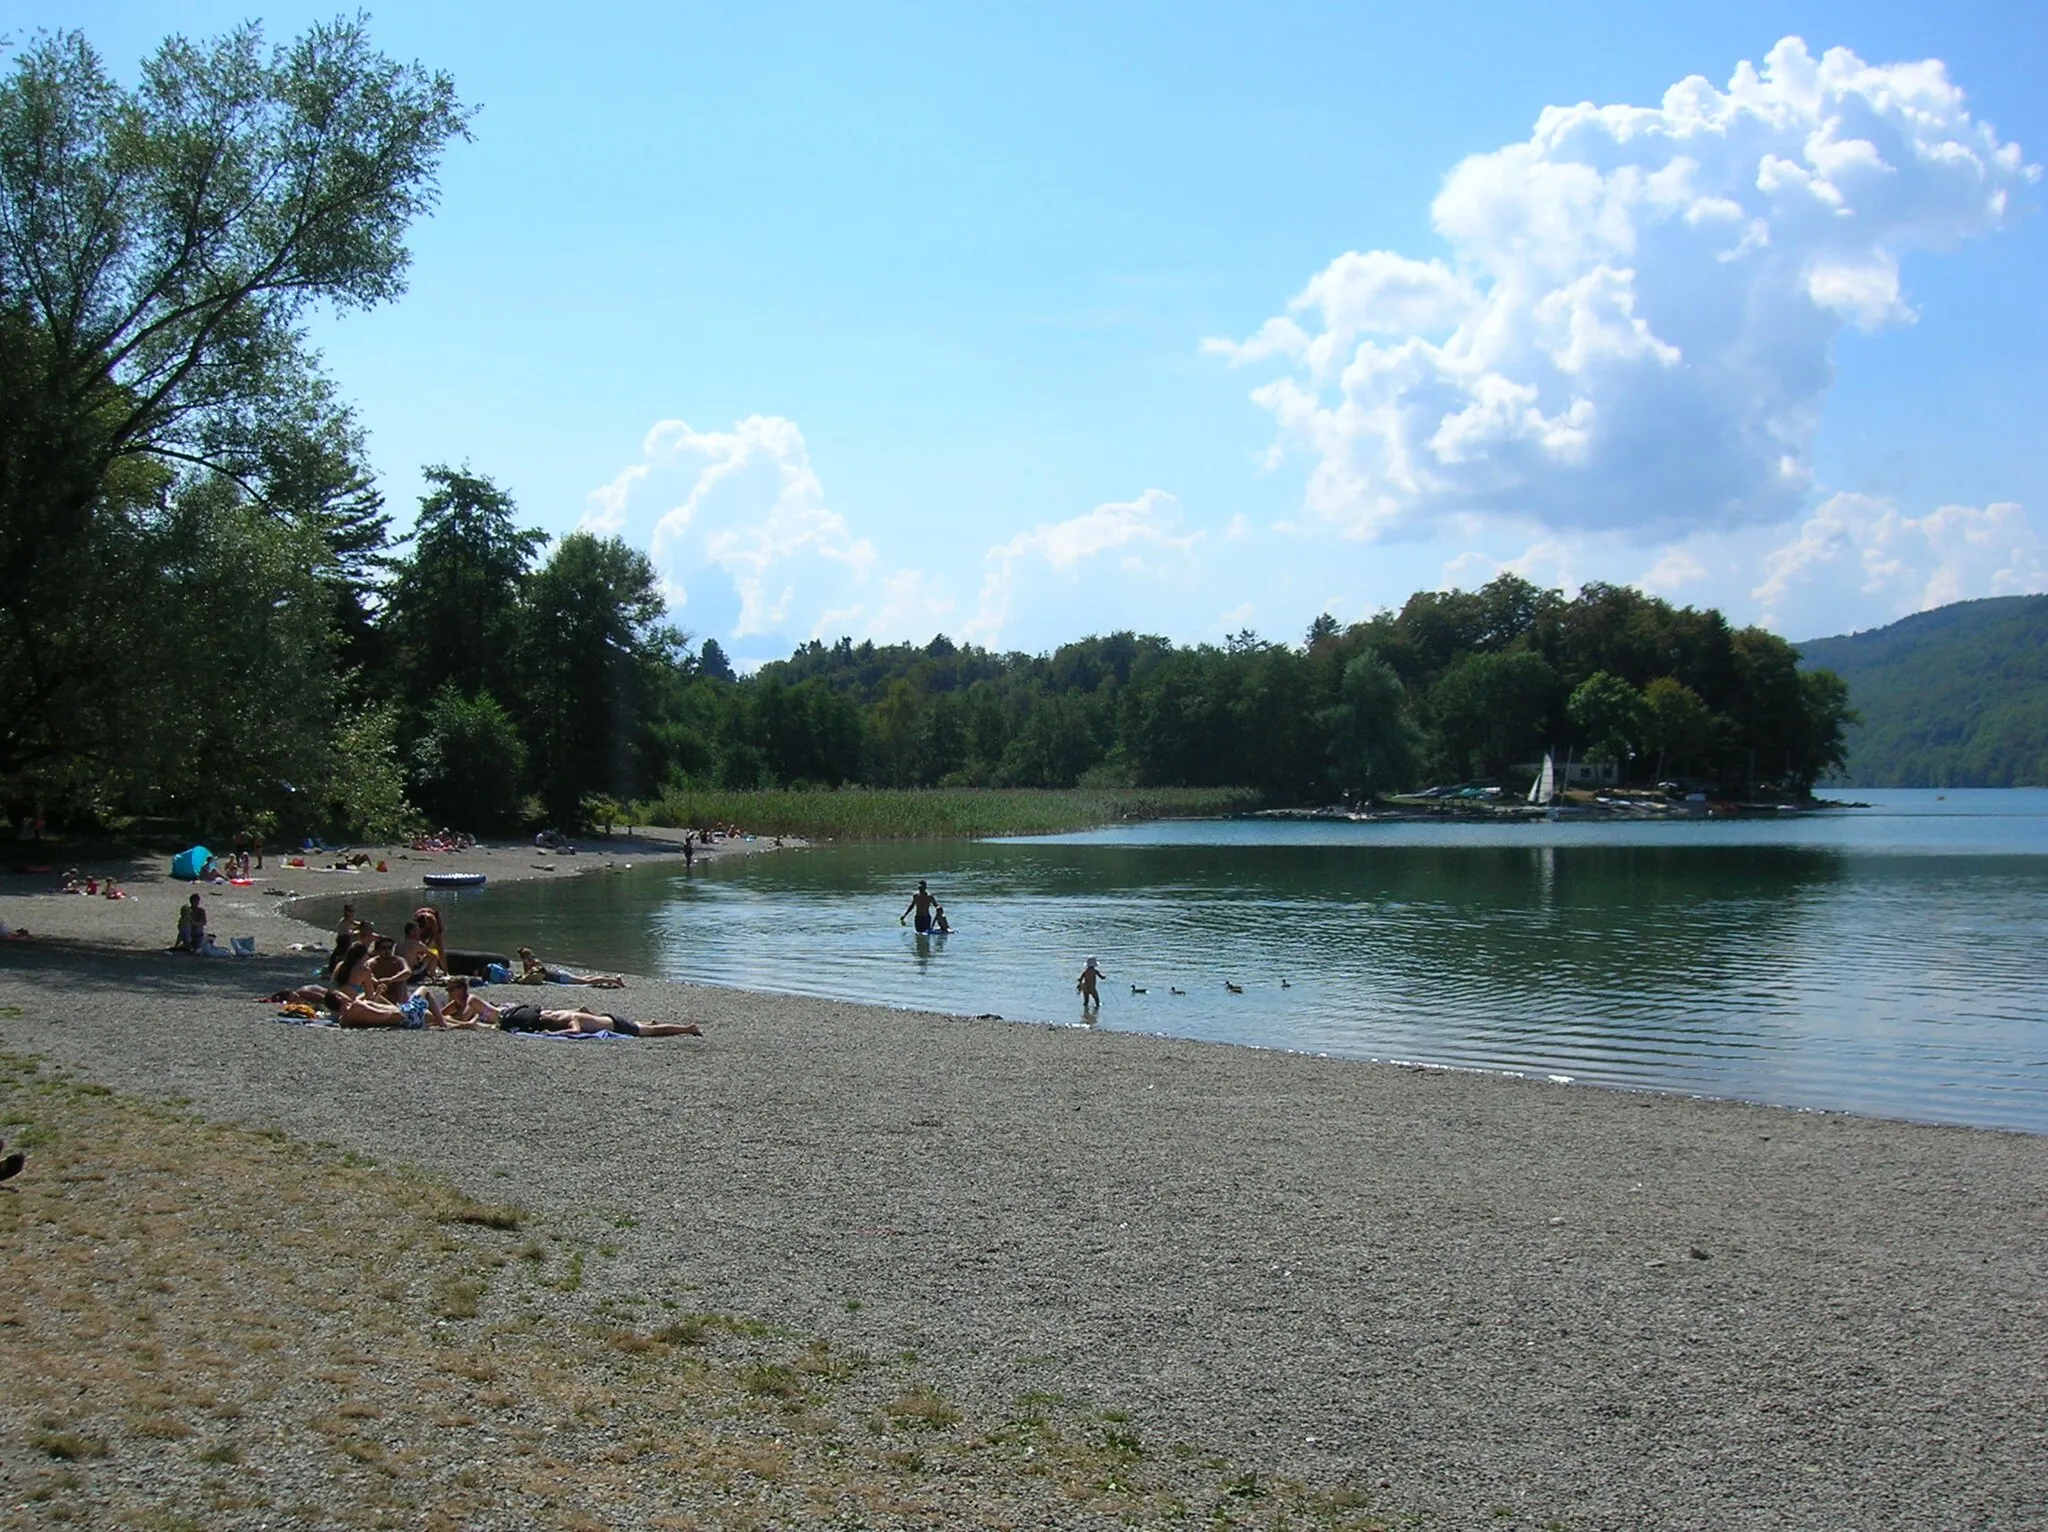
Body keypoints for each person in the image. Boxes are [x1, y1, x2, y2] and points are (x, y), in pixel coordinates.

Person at [494, 1001, 701, 1038]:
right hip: (607, 1018)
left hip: (616, 1025)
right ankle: (649, 1022)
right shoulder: (560, 1013)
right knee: (644, 1027)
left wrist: (553, 1033)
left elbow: (575, 1030)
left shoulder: (568, 1018)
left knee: (651, 1033)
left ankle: (687, 1028)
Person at [515, 947, 625, 988]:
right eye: (529, 959)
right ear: (524, 960)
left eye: (532, 957)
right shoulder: (527, 965)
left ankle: (615, 980)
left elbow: (534, 974)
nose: (532, 960)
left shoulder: (536, 964)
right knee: (585, 978)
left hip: (560, 978)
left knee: (586, 982)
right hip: (559, 976)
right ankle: (605, 978)